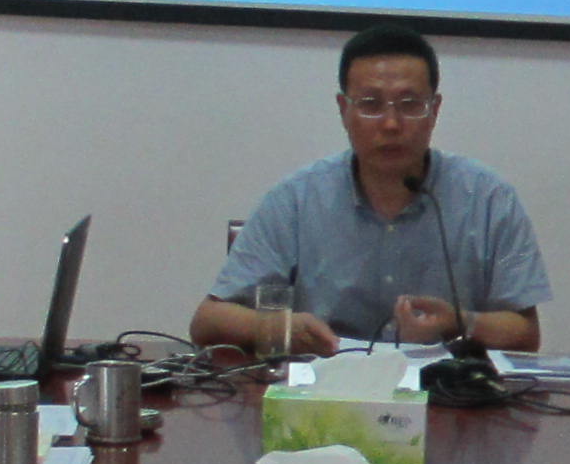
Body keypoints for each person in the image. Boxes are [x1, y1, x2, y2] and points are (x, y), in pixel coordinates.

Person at [195, 27, 546, 354]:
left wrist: (460, 321)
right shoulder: (296, 200)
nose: (391, 124)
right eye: (371, 105)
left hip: (445, 390)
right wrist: (280, 326)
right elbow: (207, 321)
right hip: (327, 389)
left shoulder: (488, 198)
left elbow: (526, 334)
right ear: (343, 110)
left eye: (410, 105)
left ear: (434, 110)